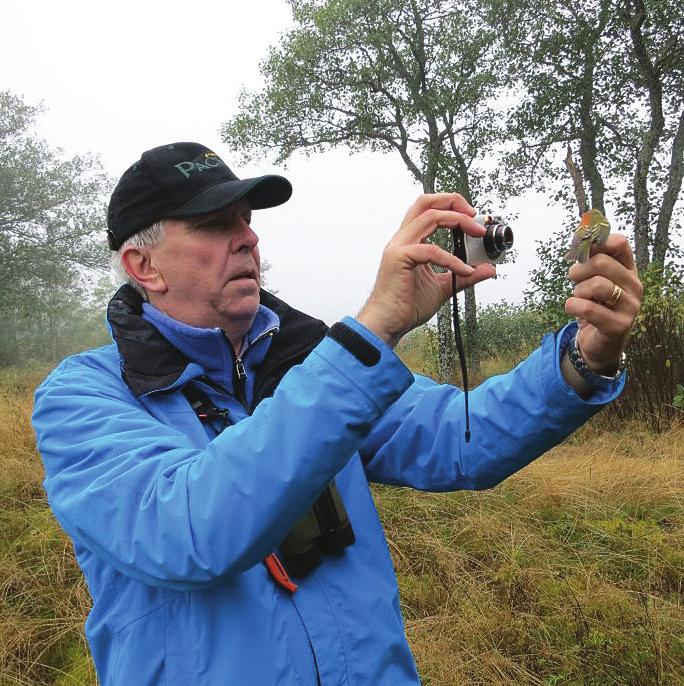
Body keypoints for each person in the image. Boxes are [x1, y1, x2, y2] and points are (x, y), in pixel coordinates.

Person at [32, 142, 642, 686]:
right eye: (216, 225)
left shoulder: (304, 362)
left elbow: (463, 437)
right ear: (144, 266)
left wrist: (587, 352)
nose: (249, 238)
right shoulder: (84, 398)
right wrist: (376, 326)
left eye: (246, 221)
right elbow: (187, 530)